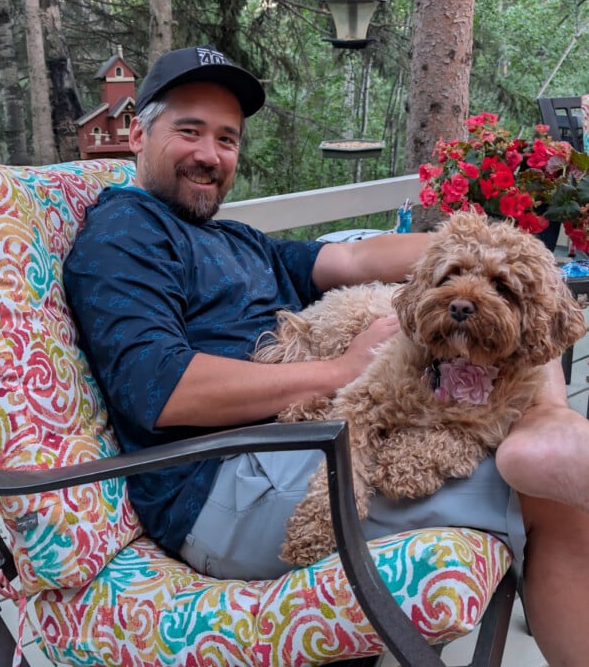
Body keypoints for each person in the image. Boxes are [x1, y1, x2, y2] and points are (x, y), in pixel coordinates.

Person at [64, 45, 589, 667]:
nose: (210, 154)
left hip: (299, 441)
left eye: (227, 138)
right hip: (224, 483)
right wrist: (344, 370)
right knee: (553, 502)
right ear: (136, 133)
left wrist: (495, 252)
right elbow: (165, 391)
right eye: (189, 130)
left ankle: (548, 425)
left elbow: (354, 260)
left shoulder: (236, 238)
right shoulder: (126, 233)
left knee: (510, 342)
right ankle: (545, 435)